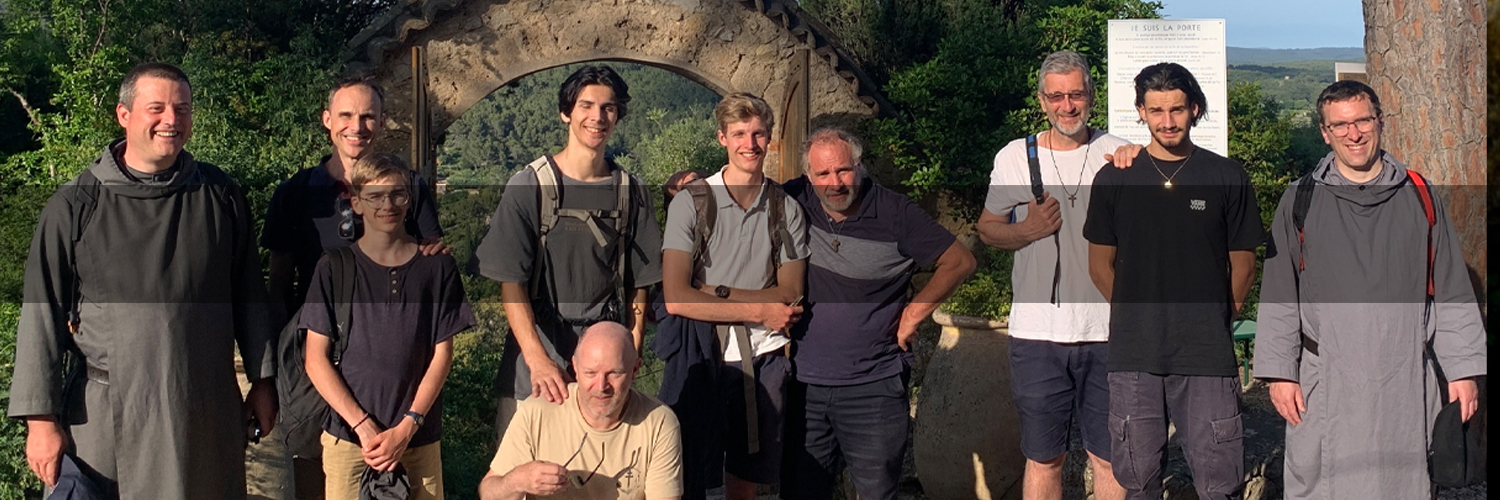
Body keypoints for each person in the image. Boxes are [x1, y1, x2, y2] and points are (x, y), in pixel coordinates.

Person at [9, 62, 277, 499]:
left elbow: (249, 295)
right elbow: (41, 314)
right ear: (124, 114)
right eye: (157, 108)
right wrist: (40, 421)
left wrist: (263, 383)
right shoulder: (76, 204)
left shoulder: (219, 195)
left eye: (182, 109)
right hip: (108, 414)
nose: (171, 119)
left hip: (203, 411)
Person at [1253, 81, 1485, 500]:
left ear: (1380, 122)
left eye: (1362, 121)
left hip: (1405, 377)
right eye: (1340, 125)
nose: (1353, 134)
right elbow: (1280, 290)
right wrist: (1280, 373)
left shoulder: (1420, 195)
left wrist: (1463, 371)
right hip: (1326, 379)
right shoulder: (1300, 199)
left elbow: (1452, 288)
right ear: (1325, 133)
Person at [1082, 62, 1263, 500]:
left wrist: (1217, 317)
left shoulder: (1226, 177)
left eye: (1177, 109)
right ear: (1141, 112)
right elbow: (1099, 266)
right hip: (1135, 355)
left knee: (1220, 484)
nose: (1167, 121)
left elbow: (1244, 265)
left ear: (1194, 109)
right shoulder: (1115, 178)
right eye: (1157, 110)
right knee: (1137, 481)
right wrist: (1134, 313)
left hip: (1206, 355)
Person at [781, 127, 975, 500]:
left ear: (859, 166)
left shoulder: (895, 212)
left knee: (877, 494)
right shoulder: (794, 199)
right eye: (823, 173)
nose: (834, 183)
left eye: (843, 170)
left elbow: (960, 261)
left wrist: (913, 314)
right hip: (805, 384)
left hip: (874, 386)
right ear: (808, 176)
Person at [470, 64, 662, 439]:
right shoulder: (530, 186)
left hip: (603, 360)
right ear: (566, 113)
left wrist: (632, 350)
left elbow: (639, 284)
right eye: (586, 106)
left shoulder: (631, 192)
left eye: (608, 107)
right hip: (535, 359)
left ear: (618, 116)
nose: (597, 117)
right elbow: (511, 284)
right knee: (522, 467)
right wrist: (537, 360)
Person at [976, 51, 1130, 500]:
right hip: (1037, 334)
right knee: (1044, 458)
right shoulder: (1015, 157)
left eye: (1076, 95)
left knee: (1110, 458)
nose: (1067, 106)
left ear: (1092, 97)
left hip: (1109, 331)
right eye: (1057, 96)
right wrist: (1027, 230)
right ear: (1042, 101)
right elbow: (987, 228)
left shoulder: (1118, 155)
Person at [300, 152, 475, 500]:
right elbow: (315, 359)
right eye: (375, 196)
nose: (388, 205)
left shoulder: (436, 268)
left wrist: (408, 426)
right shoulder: (334, 268)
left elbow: (442, 355)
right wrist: (363, 426)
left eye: (397, 194)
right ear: (356, 203)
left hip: (418, 440)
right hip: (350, 441)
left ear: (409, 200)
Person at [659, 92, 807, 500]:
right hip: (700, 352)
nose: (750, 144)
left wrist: (712, 292)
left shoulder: (786, 209)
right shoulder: (692, 203)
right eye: (739, 133)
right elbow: (676, 297)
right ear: (722, 138)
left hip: (763, 356)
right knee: (685, 473)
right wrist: (759, 308)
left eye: (758, 134)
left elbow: (791, 292)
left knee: (747, 476)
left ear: (770, 138)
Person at [263, 76, 447, 318]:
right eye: (346, 115)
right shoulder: (294, 193)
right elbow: (278, 286)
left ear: (381, 122)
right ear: (327, 119)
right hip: (317, 332)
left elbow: (430, 268)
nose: (357, 127)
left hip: (389, 328)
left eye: (367, 117)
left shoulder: (409, 187)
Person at [480, 321, 683, 500]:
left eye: (614, 373)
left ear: (635, 370)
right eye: (590, 373)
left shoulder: (658, 422)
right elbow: (488, 492)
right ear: (575, 368)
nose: (601, 386)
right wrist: (518, 481)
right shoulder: (538, 411)